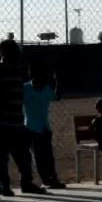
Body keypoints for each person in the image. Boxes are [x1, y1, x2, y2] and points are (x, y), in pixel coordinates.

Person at [0, 39, 42, 195]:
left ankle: (26, 183)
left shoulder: (18, 70)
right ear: (5, 53)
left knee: (24, 156)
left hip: (17, 121)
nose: (18, 54)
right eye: (15, 51)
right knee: (0, 158)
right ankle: (3, 186)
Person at [22, 60, 64, 189]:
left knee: (47, 156)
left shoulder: (45, 89)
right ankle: (47, 179)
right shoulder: (26, 89)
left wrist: (58, 82)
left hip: (43, 128)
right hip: (32, 128)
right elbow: (56, 97)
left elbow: (56, 97)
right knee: (40, 156)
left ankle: (50, 178)